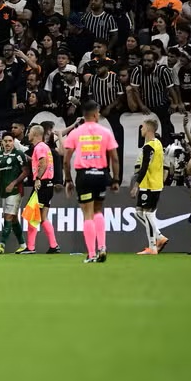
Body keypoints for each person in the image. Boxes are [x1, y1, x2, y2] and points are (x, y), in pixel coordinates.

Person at [63, 100, 121, 263]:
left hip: (84, 175)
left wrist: (68, 179)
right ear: (96, 114)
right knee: (98, 211)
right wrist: (115, 179)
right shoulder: (105, 132)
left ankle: (92, 254)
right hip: (101, 174)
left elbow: (66, 160)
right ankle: (102, 246)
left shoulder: (76, 133)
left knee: (87, 214)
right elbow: (115, 158)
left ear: (84, 115)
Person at [0, 133, 29, 254]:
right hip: (3, 191)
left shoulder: (18, 154)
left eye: (10, 141)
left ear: (13, 142)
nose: (7, 143)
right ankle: (23, 245)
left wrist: (13, 183)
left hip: (15, 190)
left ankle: (2, 245)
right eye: (5, 141)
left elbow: (26, 171)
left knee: (8, 216)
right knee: (13, 218)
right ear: (2, 142)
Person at [131, 118, 168, 255]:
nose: (141, 129)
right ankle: (159, 236)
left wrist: (136, 185)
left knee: (147, 214)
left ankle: (153, 247)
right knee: (139, 212)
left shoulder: (149, 147)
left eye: (142, 127)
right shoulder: (158, 143)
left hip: (150, 185)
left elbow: (145, 167)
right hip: (153, 184)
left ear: (148, 129)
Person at [22, 125, 60, 254]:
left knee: (32, 215)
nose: (28, 135)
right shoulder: (44, 147)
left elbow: (43, 163)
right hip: (48, 185)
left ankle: (31, 247)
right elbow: (40, 162)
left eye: (29, 132)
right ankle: (54, 245)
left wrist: (38, 178)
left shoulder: (39, 147)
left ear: (35, 134)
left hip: (42, 185)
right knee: (43, 217)